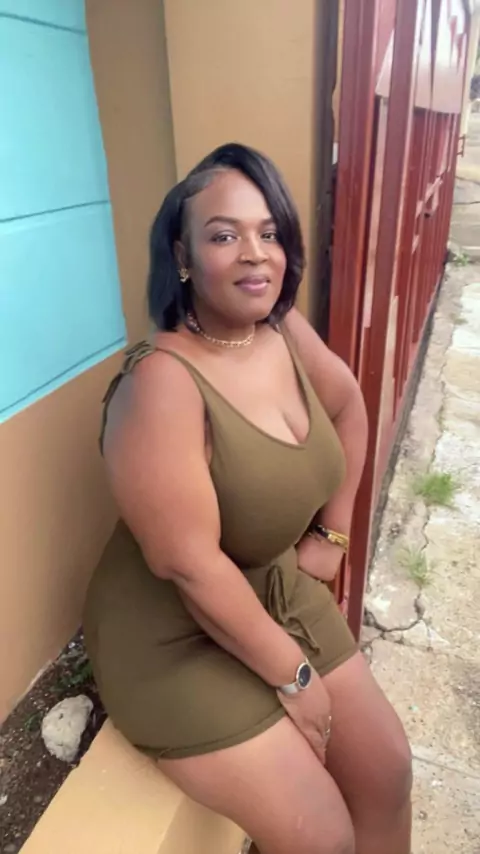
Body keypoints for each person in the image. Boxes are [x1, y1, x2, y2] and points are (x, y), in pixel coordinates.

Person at [84, 143, 412, 854]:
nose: (255, 253)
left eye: (269, 232)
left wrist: (331, 538)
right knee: (322, 835)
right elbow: (188, 566)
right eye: (224, 235)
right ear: (182, 255)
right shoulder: (161, 384)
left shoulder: (280, 332)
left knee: (386, 770)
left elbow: (349, 408)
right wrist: (295, 677)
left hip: (272, 589)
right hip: (170, 637)